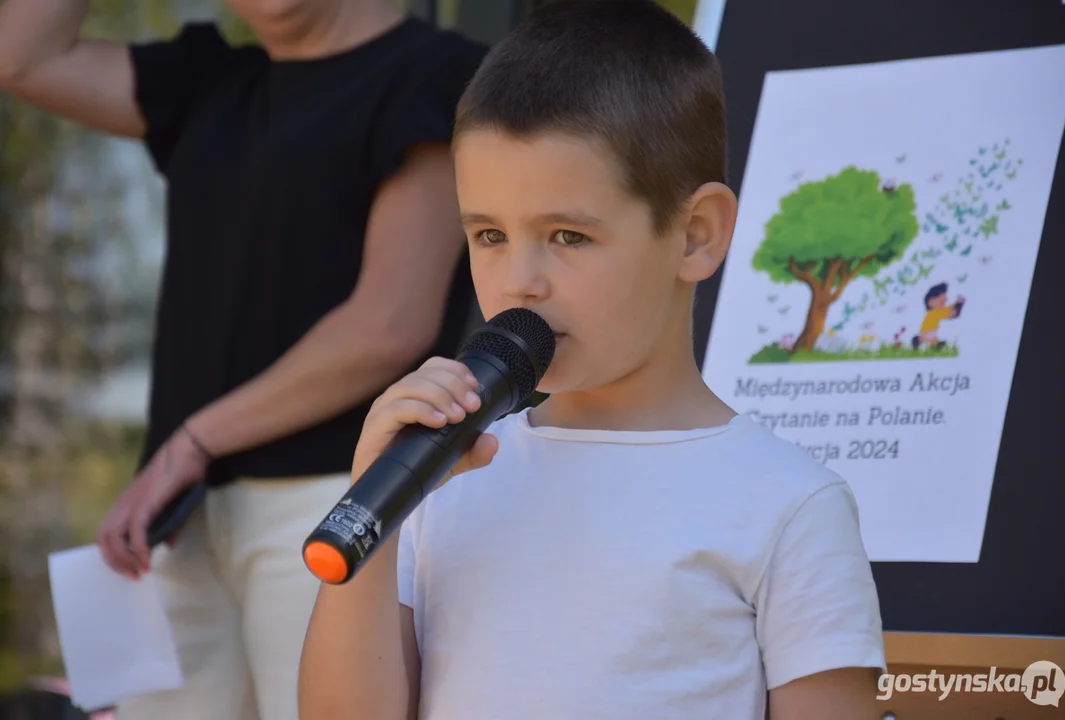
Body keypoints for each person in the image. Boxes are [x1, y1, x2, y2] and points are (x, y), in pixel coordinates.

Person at [298, 1, 887, 718]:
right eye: (488, 236)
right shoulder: (443, 479)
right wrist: (373, 507)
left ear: (695, 235)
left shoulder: (788, 505)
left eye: (568, 237)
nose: (520, 280)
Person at [0, 1, 486, 718]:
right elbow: (20, 56)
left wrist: (195, 440)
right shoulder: (211, 81)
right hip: (175, 519)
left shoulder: (438, 76)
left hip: (335, 496)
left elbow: (389, 323)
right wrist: (186, 457)